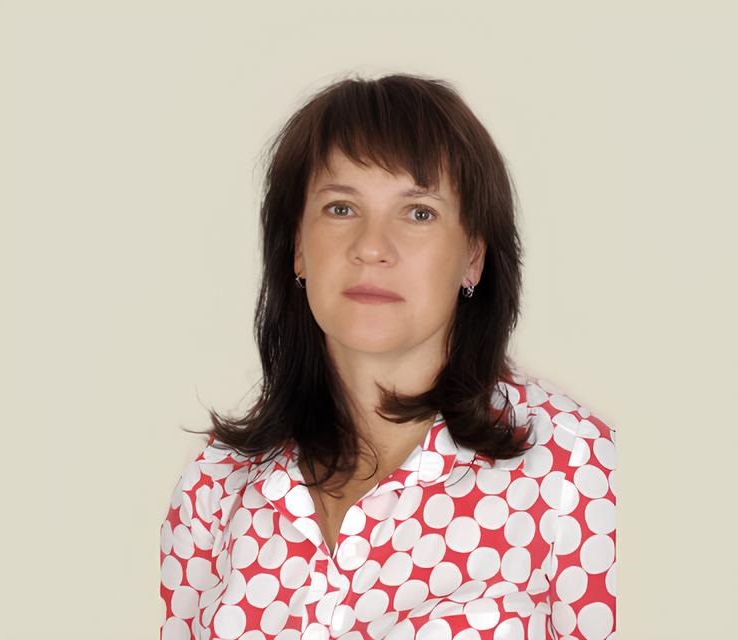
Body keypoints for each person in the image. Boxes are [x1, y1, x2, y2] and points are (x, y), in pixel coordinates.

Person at [159, 72, 616, 640]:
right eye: (341, 208)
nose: (371, 247)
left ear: (473, 257)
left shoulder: (579, 474)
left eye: (419, 212)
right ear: (298, 247)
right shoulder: (215, 485)